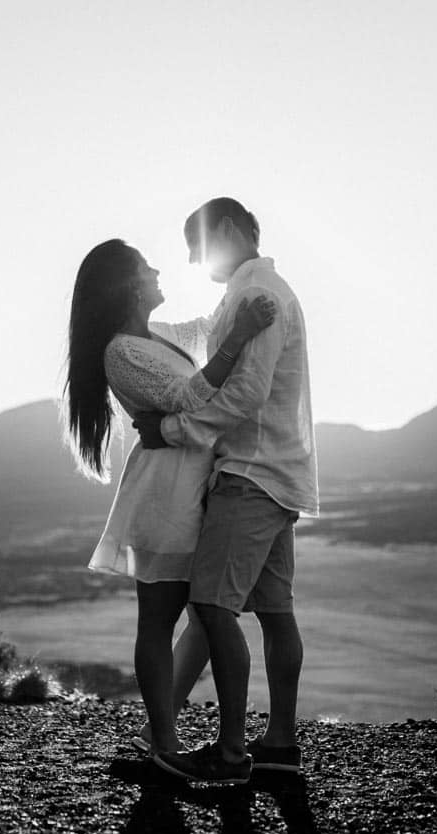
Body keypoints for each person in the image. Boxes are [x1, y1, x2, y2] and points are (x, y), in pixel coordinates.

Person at [63, 238, 276, 757]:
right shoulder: (121, 351)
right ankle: (164, 739)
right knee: (161, 620)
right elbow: (188, 395)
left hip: (196, 485)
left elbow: (207, 328)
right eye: (146, 267)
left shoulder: (154, 336)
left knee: (208, 615)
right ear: (128, 286)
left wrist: (247, 280)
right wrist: (240, 335)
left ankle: (161, 734)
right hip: (166, 494)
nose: (158, 270)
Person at [135, 197, 318, 785]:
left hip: (249, 473)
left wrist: (172, 430)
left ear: (231, 230)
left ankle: (233, 753)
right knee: (274, 611)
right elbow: (208, 351)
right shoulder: (265, 291)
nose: (192, 260)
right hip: (280, 475)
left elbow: (246, 396)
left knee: (213, 608)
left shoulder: (254, 295)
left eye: (197, 245)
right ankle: (280, 745)